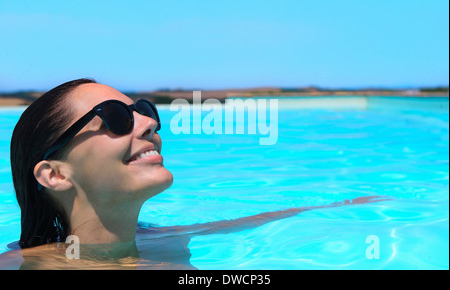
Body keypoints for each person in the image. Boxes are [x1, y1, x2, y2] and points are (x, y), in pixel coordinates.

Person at [0, 79, 388, 269]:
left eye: (144, 110)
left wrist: (345, 205)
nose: (149, 125)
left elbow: (238, 224)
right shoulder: (22, 266)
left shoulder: (162, 242)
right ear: (54, 175)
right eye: (116, 118)